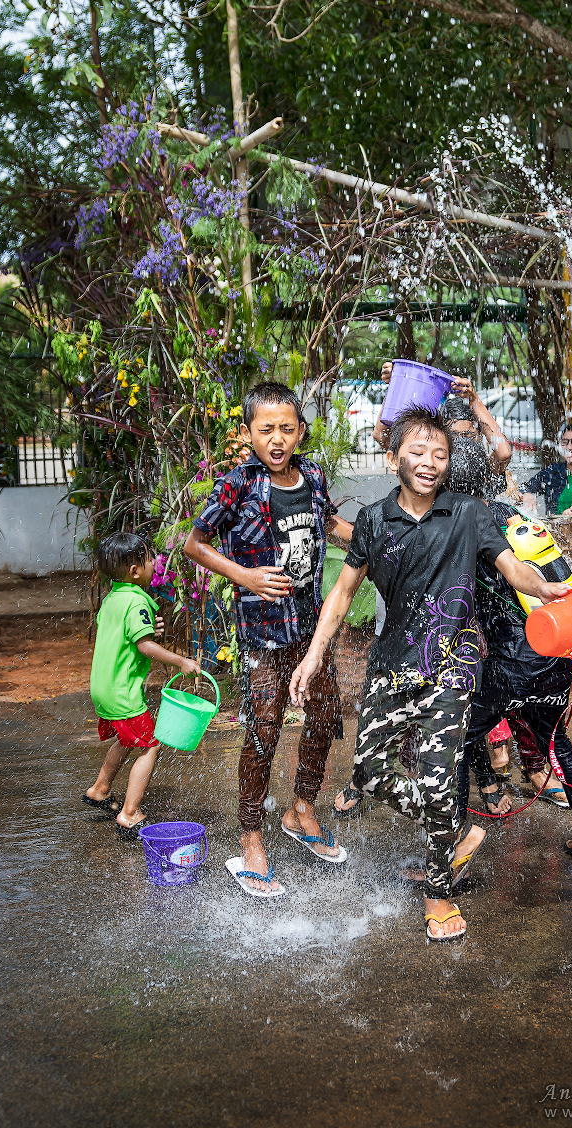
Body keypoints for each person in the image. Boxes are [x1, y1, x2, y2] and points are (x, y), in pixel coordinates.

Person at [288, 405, 572, 942]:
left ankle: (439, 893)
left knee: (441, 776)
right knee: (371, 772)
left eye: (439, 455)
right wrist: (313, 654)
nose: (429, 463)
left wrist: (542, 588)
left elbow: (510, 565)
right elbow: (343, 594)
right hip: (392, 665)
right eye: (417, 453)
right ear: (393, 457)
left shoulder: (468, 513)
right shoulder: (373, 520)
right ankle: (455, 829)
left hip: (454, 663)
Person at [184, 382, 353, 898]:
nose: (277, 439)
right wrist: (245, 576)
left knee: (326, 713)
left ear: (300, 432)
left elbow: (329, 525)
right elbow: (193, 543)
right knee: (264, 728)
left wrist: (379, 535)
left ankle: (301, 808)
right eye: (266, 430)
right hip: (261, 633)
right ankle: (251, 835)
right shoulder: (235, 485)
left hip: (309, 628)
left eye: (286, 429)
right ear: (249, 434)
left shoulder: (314, 476)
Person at [445, 436, 572, 880]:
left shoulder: (465, 524)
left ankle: (450, 851)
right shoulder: (517, 518)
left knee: (452, 742)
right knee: (558, 741)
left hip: (511, 666)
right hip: (555, 658)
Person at [83, 532, 201, 839]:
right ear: (135, 571)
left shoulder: (113, 597)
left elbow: (125, 635)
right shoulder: (137, 600)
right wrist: (181, 661)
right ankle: (130, 813)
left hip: (104, 686)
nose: (153, 563)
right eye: (149, 559)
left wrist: (149, 630)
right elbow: (144, 646)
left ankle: (99, 789)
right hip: (123, 691)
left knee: (126, 740)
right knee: (150, 745)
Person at [374, 362, 513, 480]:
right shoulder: (432, 471)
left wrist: (474, 399)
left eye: (468, 436)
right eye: (455, 437)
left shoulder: (484, 470)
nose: (462, 443)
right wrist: (396, 384)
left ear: (480, 437)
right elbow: (381, 436)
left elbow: (504, 453)